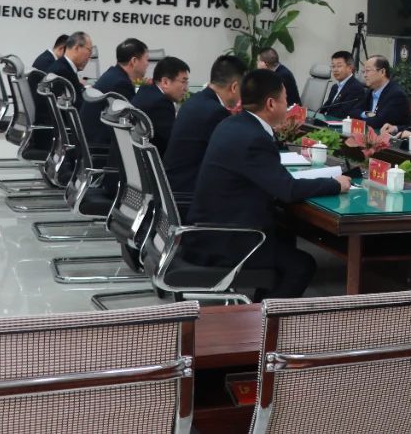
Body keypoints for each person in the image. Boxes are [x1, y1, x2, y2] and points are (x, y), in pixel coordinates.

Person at [190, 69, 350, 299]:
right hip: (227, 241)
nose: (289, 106)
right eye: (286, 100)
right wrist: (335, 184)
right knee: (301, 266)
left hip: (210, 232)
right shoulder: (254, 138)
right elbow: (288, 190)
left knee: (283, 232)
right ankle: (265, 318)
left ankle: (260, 308)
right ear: (271, 104)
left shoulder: (232, 124)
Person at [164, 54, 246, 194]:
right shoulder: (216, 112)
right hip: (188, 193)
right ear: (234, 87)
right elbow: (232, 158)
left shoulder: (195, 101)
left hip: (174, 186)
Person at [81, 38, 148, 155]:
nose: (147, 64)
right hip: (100, 148)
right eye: (146, 59)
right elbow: (130, 123)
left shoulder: (113, 75)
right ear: (134, 61)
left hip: (90, 142)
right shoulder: (121, 84)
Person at [32, 31, 92, 149]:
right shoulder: (63, 72)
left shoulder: (62, 67)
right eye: (89, 51)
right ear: (76, 48)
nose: (89, 57)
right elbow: (77, 109)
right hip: (56, 138)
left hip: (53, 134)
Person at [133, 55, 189, 157]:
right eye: (183, 82)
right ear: (165, 82)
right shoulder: (161, 104)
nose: (186, 88)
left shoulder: (145, 90)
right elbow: (174, 143)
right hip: (151, 162)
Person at [359, 55, 410, 131]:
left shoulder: (396, 95)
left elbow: (378, 122)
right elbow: (354, 111)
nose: (365, 75)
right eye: (364, 71)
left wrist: (356, 120)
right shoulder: (370, 91)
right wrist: (367, 114)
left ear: (382, 72)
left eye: (368, 71)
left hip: (391, 137)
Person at [317, 50, 366, 120]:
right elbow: (326, 107)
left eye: (339, 66)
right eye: (333, 66)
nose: (335, 70)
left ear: (350, 68)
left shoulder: (356, 88)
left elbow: (343, 113)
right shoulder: (335, 87)